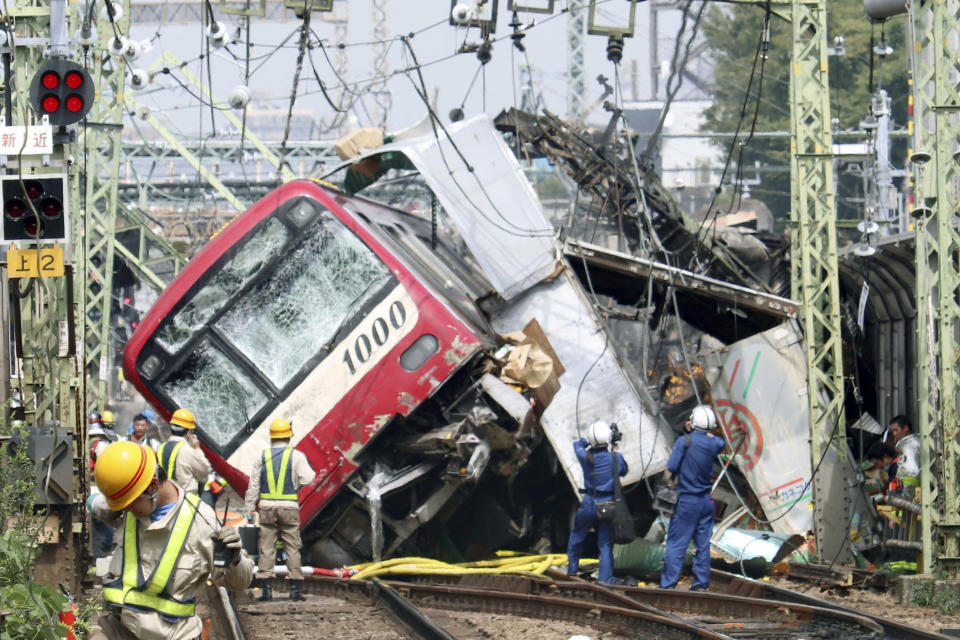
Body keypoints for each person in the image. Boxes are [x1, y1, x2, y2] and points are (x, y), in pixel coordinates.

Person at [89, 441, 252, 640]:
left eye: (131, 503)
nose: (127, 509)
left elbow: (239, 581)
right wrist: (93, 502)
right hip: (122, 629)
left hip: (172, 635)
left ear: (153, 487)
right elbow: (99, 505)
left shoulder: (200, 522)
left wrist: (235, 558)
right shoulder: (127, 507)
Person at [244, 418, 316, 602]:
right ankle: (295, 591)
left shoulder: (262, 456)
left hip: (266, 507)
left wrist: (250, 508)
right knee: (292, 547)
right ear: (288, 436)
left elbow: (253, 486)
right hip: (289, 507)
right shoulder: (297, 456)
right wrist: (296, 484)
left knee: (267, 548)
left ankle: (266, 591)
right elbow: (308, 478)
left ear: (272, 437)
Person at [660, 404, 726, 592]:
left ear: (692, 423)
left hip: (686, 501)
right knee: (702, 545)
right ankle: (700, 586)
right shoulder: (714, 443)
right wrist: (709, 434)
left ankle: (668, 584)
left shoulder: (684, 441)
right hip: (706, 502)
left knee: (676, 544)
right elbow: (721, 443)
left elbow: (672, 467)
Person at [566, 420, 628, 585]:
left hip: (589, 502)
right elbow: (624, 471)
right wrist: (614, 449)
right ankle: (604, 581)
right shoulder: (615, 458)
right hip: (609, 503)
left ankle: (572, 570)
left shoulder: (585, 456)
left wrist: (588, 440)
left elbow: (576, 444)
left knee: (577, 535)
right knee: (605, 544)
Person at [156, 409, 211, 497]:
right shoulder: (187, 451)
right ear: (189, 432)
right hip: (185, 503)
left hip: (164, 500)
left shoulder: (160, 448)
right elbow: (204, 473)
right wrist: (197, 449)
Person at [88, 410, 117, 559]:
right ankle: (103, 549)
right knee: (105, 519)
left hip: (88, 487)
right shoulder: (101, 443)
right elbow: (107, 466)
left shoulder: (85, 442)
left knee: (94, 523)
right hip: (98, 488)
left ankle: (98, 550)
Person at [889, 414, 920, 494]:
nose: (894, 434)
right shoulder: (912, 443)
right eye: (893, 431)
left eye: (896, 430)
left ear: (905, 428)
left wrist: (905, 493)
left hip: (912, 496)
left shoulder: (910, 445)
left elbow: (912, 472)